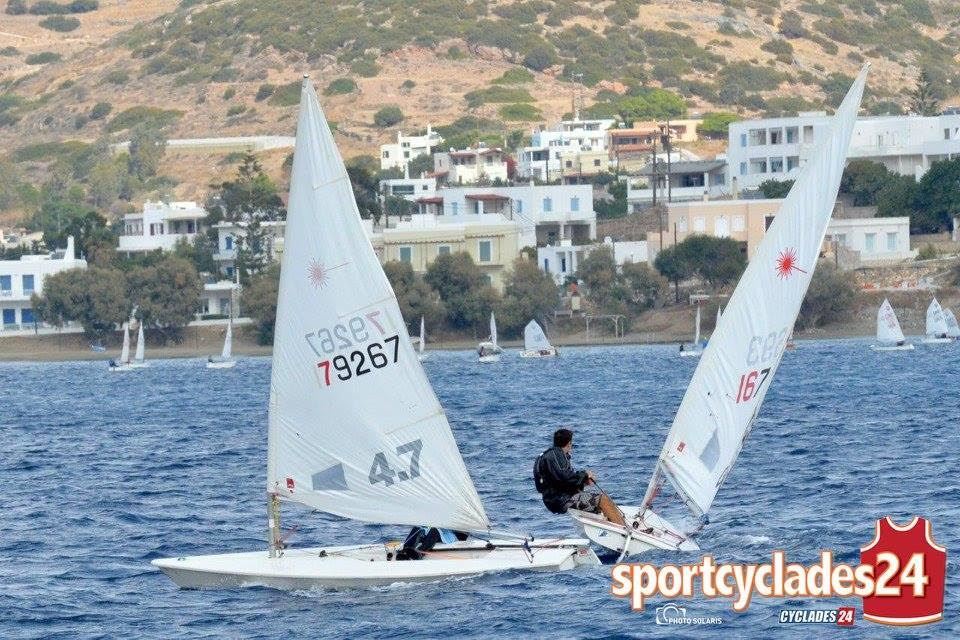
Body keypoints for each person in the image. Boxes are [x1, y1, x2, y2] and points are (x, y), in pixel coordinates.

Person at [534, 428, 626, 527]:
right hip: (563, 500)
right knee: (603, 500)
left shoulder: (546, 455)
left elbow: (559, 481)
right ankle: (625, 530)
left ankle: (611, 527)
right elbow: (566, 477)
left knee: (598, 504)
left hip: (553, 500)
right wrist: (585, 475)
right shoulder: (557, 454)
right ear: (569, 443)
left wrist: (584, 481)